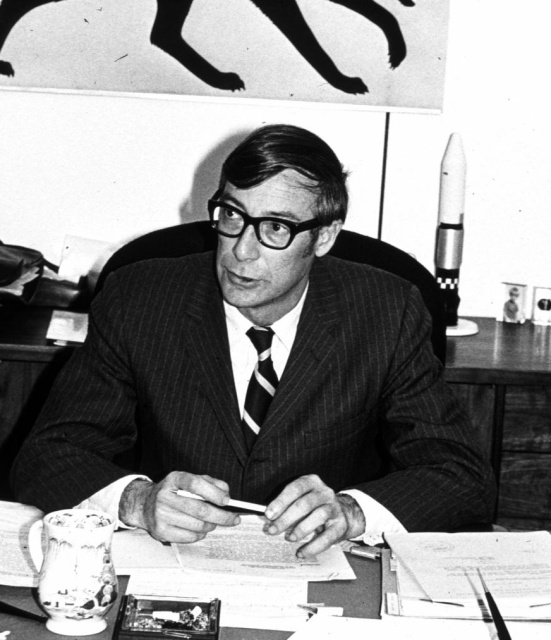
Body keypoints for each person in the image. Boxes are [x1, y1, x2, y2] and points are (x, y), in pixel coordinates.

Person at [11, 124, 495, 557]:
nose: (241, 251)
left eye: (276, 227)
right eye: (231, 215)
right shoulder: (140, 298)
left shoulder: (386, 312)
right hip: (172, 566)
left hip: (324, 573)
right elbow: (47, 455)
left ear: (324, 237)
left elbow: (460, 474)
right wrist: (137, 501)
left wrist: (351, 513)